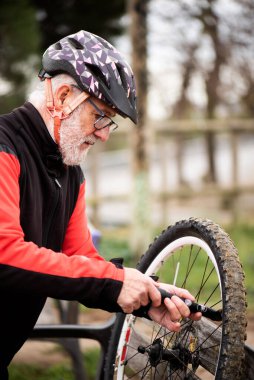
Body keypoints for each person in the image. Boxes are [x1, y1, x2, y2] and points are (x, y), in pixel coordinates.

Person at [0, 30, 201, 378]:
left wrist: (149, 296)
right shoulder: (4, 148)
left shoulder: (71, 174)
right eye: (101, 116)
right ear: (63, 96)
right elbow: (5, 254)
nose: (105, 134)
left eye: (111, 123)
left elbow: (81, 261)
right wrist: (112, 280)